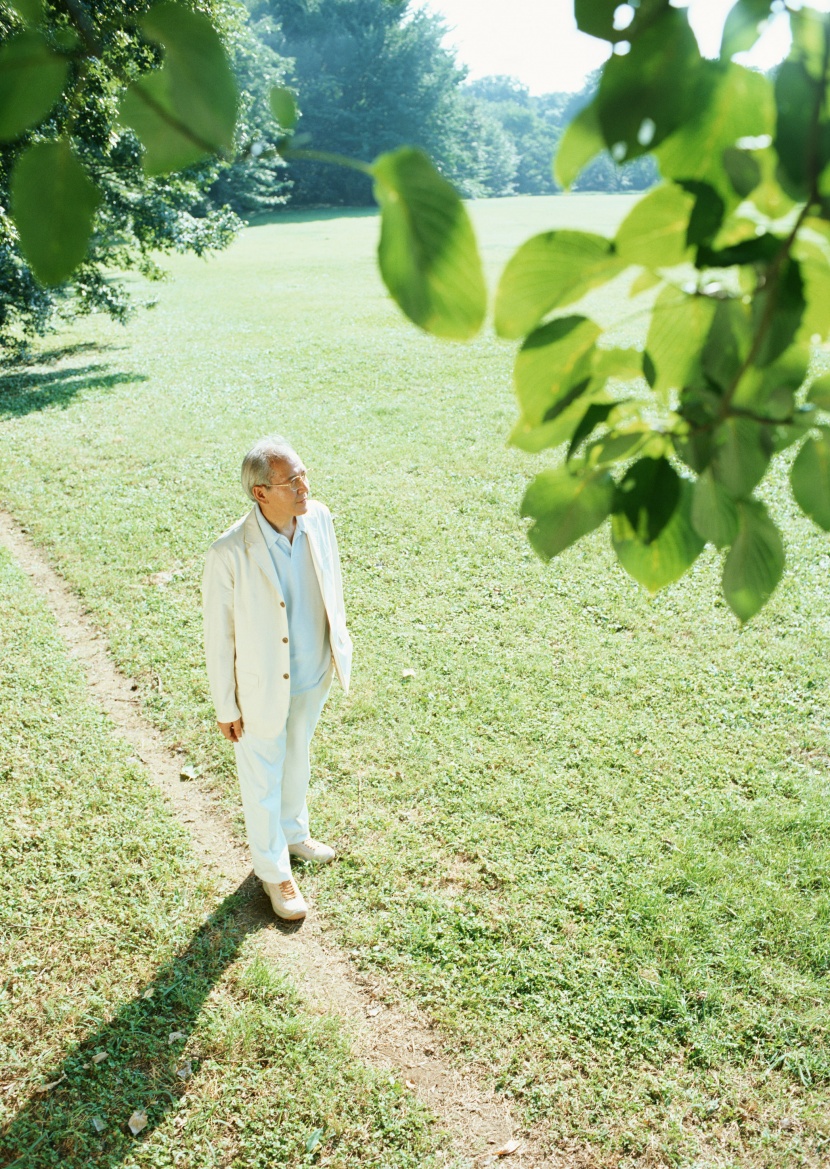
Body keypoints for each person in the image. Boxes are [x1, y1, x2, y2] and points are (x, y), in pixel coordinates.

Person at [202, 436, 352, 921]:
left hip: (311, 673)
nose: (305, 486)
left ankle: (293, 831)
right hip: (260, 688)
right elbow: (219, 637)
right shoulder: (228, 553)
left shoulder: (320, 518)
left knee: (298, 757)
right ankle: (274, 873)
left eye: (304, 474)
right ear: (261, 493)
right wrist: (226, 705)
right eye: (292, 481)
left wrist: (336, 650)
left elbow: (332, 585)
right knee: (261, 777)